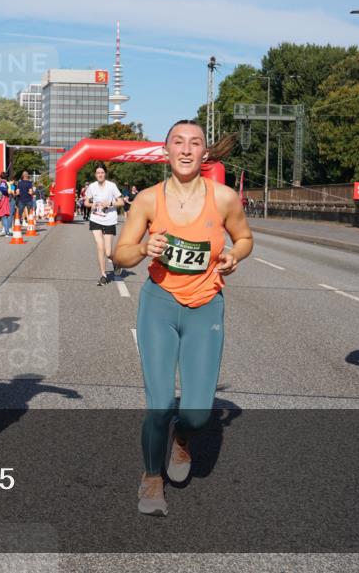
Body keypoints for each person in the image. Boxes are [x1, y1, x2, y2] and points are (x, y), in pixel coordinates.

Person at [113, 119, 252, 517]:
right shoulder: (147, 200)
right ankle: (151, 478)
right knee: (158, 405)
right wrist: (142, 248)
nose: (187, 150)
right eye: (178, 142)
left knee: (196, 413)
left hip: (206, 306)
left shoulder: (224, 198)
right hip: (159, 304)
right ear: (166, 151)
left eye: (195, 143)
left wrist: (232, 256)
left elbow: (244, 238)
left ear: (205, 153)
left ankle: (183, 438)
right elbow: (119, 255)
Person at [85, 164, 125, 286]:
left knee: (108, 252)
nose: (100, 175)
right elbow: (86, 202)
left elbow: (121, 202)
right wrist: (92, 205)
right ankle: (103, 275)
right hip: (96, 219)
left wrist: (110, 203)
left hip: (109, 220)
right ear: (95, 174)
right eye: (98, 173)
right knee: (100, 247)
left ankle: (115, 262)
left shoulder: (111, 186)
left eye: (102, 172)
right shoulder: (92, 187)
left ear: (105, 174)